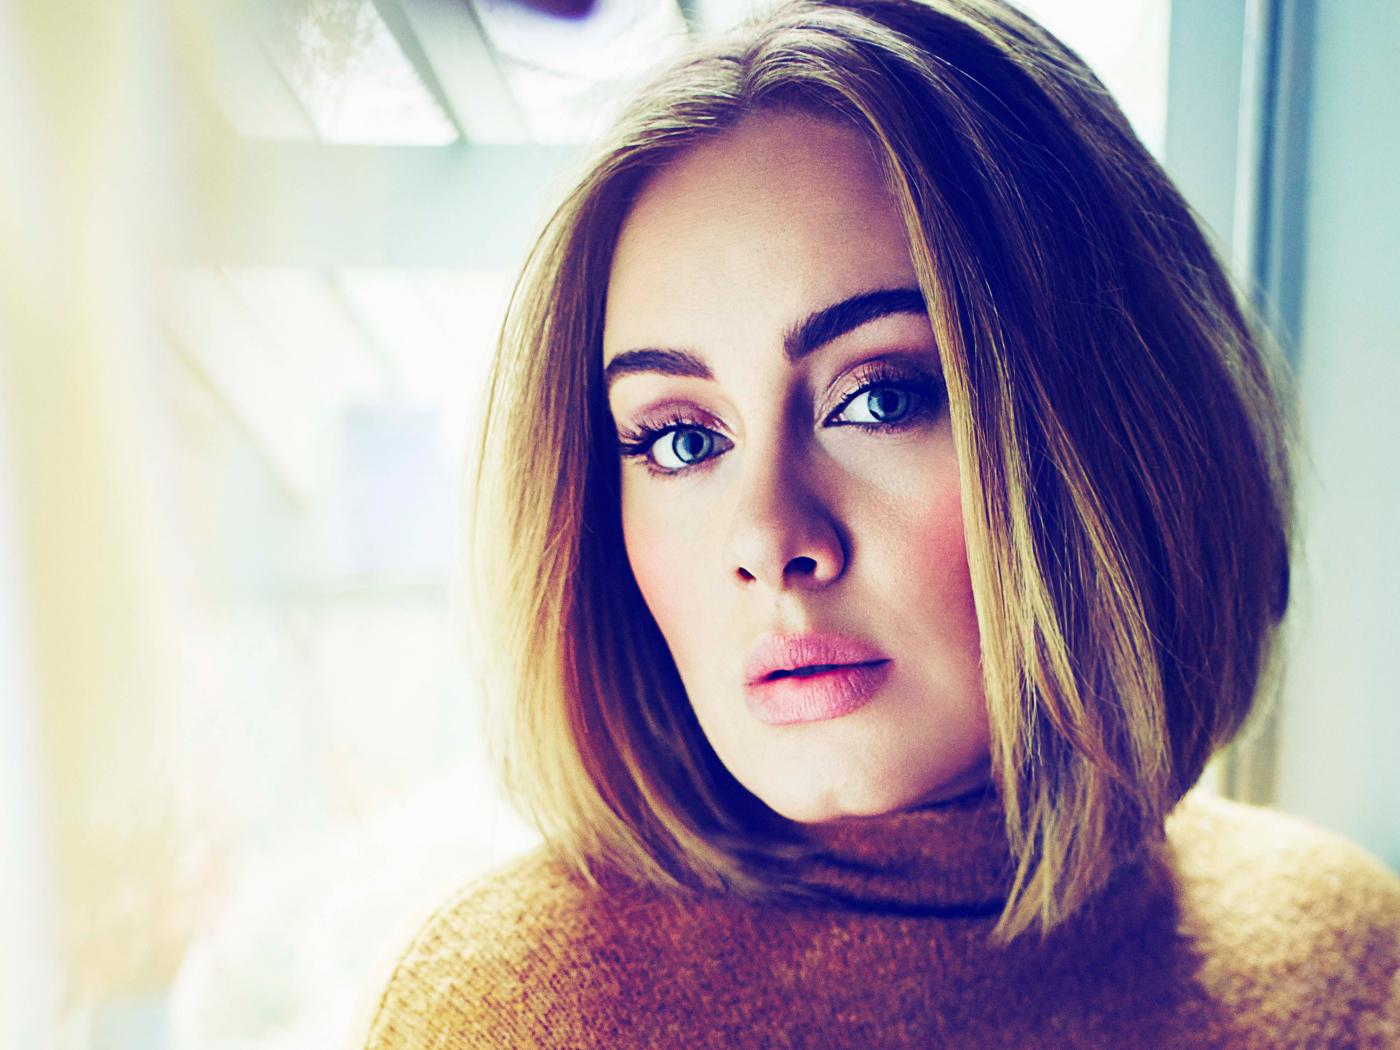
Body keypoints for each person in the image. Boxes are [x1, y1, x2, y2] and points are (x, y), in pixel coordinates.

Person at [363, 0, 1400, 1045]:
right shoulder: (521, 1011)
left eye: (879, 398)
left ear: (1112, 431)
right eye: (679, 439)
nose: (767, 539)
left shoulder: (1344, 952)